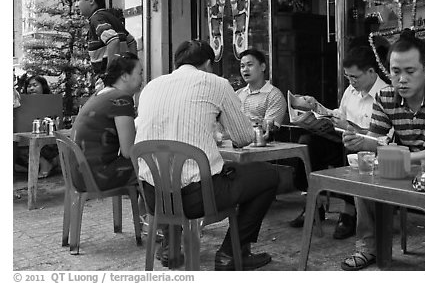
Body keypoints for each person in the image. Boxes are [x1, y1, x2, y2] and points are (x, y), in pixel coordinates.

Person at [135, 39, 279, 271]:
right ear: (208, 64)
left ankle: (171, 247)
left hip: (153, 197)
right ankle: (231, 253)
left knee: (167, 173)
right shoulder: (216, 83)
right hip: (196, 198)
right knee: (269, 175)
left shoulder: (151, 86)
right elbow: (243, 137)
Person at [340, 29, 425, 270]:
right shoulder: (385, 97)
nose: (401, 79)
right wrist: (359, 142)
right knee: (365, 172)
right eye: (395, 72)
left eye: (410, 71)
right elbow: (375, 141)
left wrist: (409, 158)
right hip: (403, 163)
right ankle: (367, 248)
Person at [289, 45, 389, 241]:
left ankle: (349, 211)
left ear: (371, 72)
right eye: (348, 77)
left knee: (349, 145)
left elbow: (383, 139)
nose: (351, 82)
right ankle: (314, 204)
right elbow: (339, 114)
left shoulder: (384, 94)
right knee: (307, 143)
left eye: (355, 77)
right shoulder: (351, 91)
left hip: (368, 150)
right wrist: (317, 108)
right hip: (342, 140)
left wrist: (350, 127)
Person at [70, 52, 142, 192]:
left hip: (80, 175)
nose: (142, 79)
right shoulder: (121, 100)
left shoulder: (101, 94)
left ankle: (147, 212)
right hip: (97, 177)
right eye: (140, 73)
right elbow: (129, 152)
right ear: (125, 76)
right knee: (152, 167)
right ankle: (157, 213)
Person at [74, 0, 137, 87]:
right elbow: (131, 42)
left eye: (78, 0)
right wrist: (132, 70)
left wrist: (110, 76)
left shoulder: (97, 19)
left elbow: (113, 40)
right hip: (123, 81)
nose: (76, 5)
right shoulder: (112, 18)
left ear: (91, 0)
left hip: (109, 83)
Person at [16, 75, 59, 178]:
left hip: (47, 141)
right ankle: (49, 164)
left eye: (35, 85)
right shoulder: (20, 103)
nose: (31, 88)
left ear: (43, 86)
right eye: (29, 86)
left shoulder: (52, 101)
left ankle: (45, 164)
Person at [236, 48, 287, 130]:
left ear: (262, 67)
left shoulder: (274, 96)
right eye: (242, 66)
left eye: (250, 65)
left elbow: (269, 129)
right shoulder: (237, 94)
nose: (245, 69)